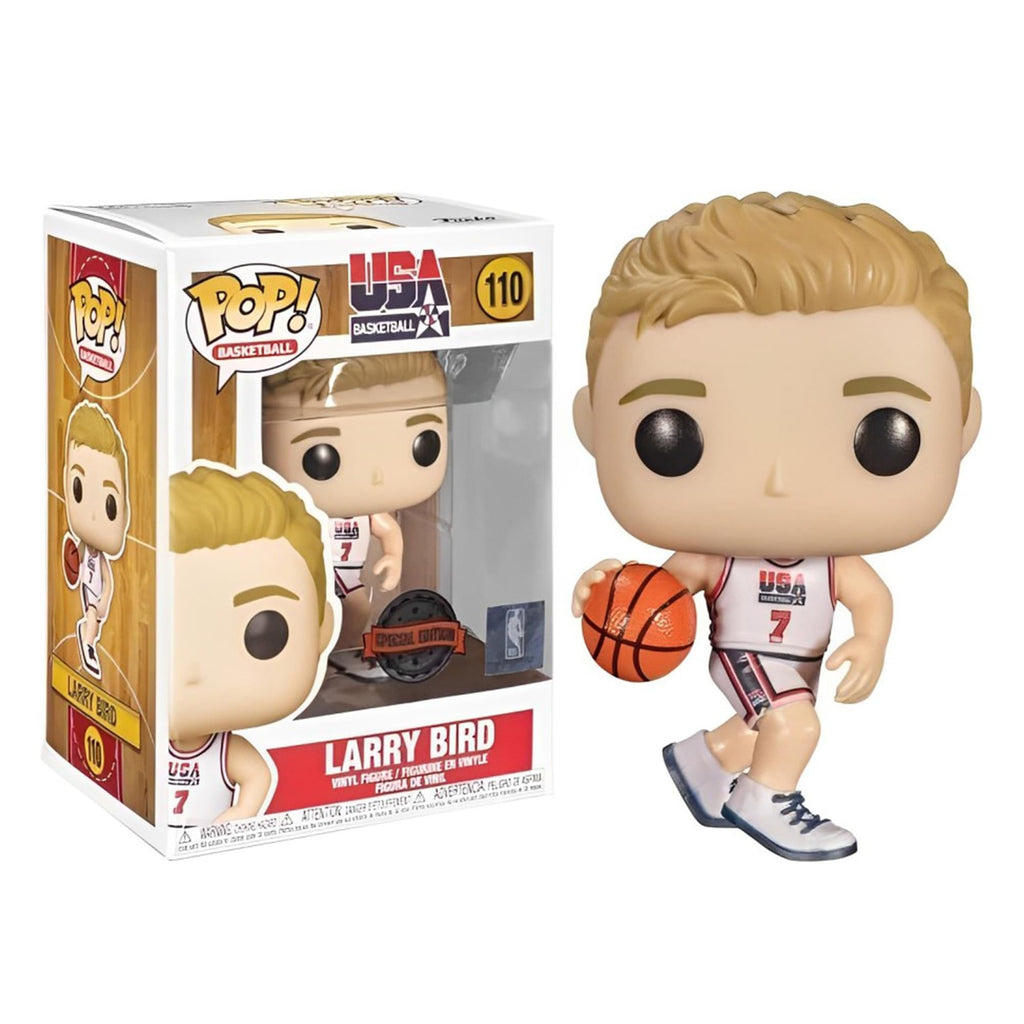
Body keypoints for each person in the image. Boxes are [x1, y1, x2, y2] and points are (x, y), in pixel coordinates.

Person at [571, 193, 980, 860]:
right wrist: (608, 593)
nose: (779, 481)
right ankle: (764, 800)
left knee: (765, 723)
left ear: (963, 428)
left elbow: (871, 598)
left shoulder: (833, 563)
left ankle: (701, 764)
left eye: (884, 437)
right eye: (672, 437)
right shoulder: (718, 559)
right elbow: (655, 594)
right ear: (593, 424)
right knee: (795, 726)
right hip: (745, 651)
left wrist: (871, 642)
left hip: (799, 660)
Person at [168, 465, 335, 826]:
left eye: (265, 634)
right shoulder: (144, 740)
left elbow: (259, 776)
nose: (194, 671)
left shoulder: (225, 752)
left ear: (322, 631)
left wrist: (239, 815)